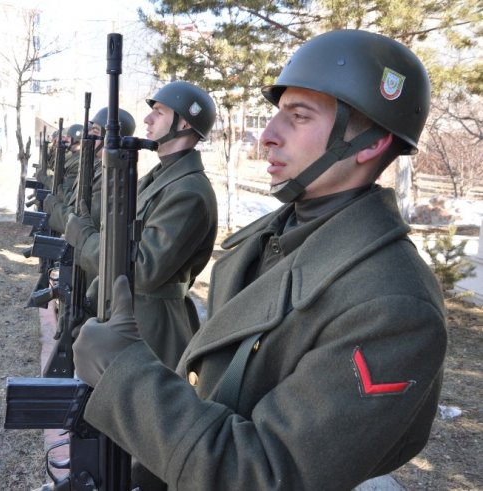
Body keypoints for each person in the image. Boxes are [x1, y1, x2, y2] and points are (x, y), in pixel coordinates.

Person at [72, 29, 447, 490]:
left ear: (369, 144)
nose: (268, 135)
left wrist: (123, 373)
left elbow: (265, 475)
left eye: (298, 116)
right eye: (277, 114)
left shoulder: (394, 305)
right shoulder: (275, 238)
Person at [66, 81, 219, 369]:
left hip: (153, 330)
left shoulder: (189, 191)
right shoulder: (161, 177)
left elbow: (145, 268)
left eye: (159, 112)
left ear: (184, 123)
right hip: (130, 313)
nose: (147, 119)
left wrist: (85, 239)